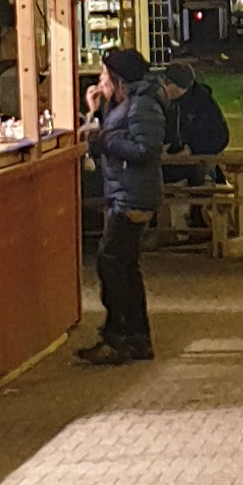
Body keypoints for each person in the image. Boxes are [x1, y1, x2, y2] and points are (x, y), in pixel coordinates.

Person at [80, 44, 166, 365]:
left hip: (133, 195)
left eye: (105, 74)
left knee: (113, 262)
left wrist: (104, 140)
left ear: (118, 78)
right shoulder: (127, 103)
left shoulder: (143, 104)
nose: (100, 79)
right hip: (126, 192)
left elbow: (146, 149)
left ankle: (120, 336)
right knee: (122, 265)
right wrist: (98, 109)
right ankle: (134, 337)